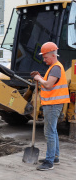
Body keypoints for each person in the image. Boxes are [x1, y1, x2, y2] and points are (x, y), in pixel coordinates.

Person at [30, 42, 70, 171]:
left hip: (53, 104)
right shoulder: (54, 67)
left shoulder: (56, 68)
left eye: (45, 57)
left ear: (52, 55)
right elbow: (48, 83)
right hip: (52, 103)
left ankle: (49, 161)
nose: (44, 59)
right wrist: (40, 77)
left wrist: (38, 78)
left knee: (49, 132)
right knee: (53, 131)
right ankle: (55, 157)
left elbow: (48, 85)